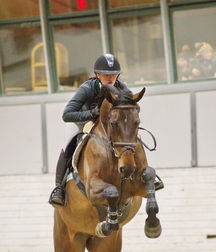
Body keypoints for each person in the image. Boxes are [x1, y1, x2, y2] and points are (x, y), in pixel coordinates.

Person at [49, 53, 163, 208]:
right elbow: (67, 114)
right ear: (97, 75)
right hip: (83, 120)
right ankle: (59, 188)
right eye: (106, 75)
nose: (110, 78)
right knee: (68, 143)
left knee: (130, 136)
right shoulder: (87, 88)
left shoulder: (121, 87)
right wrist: (91, 114)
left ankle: (147, 175)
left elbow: (135, 106)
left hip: (110, 124)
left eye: (114, 74)